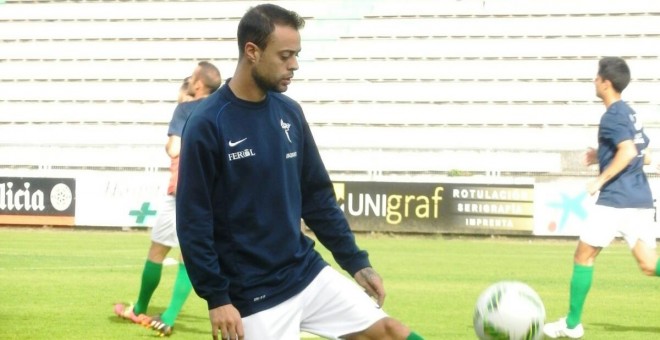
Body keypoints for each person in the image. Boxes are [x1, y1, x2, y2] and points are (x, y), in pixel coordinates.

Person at [175, 4, 423, 340]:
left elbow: (317, 197)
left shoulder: (289, 112)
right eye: (285, 55)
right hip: (252, 294)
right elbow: (193, 221)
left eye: (296, 54)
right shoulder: (208, 123)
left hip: (304, 271)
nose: (294, 64)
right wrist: (217, 298)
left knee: (390, 332)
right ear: (252, 51)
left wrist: (355, 262)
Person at [543, 57, 659, 339]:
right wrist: (602, 154)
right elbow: (645, 155)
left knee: (583, 256)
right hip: (640, 199)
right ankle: (572, 324)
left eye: (597, 77)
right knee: (649, 265)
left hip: (616, 199)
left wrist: (599, 180)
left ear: (606, 83)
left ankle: (572, 324)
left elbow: (629, 152)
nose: (594, 81)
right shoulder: (630, 114)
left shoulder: (612, 116)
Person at [114, 61, 222, 336]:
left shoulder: (186, 109)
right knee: (188, 256)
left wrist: (174, 138)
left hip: (181, 192)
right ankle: (170, 315)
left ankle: (140, 308)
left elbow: (174, 149)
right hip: (211, 197)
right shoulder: (222, 109)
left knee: (158, 251)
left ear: (198, 84)